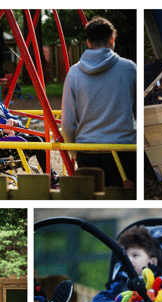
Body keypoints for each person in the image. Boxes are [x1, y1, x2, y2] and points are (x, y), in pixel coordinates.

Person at [36, 225, 162, 302]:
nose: (129, 260)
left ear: (153, 261)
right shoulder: (121, 281)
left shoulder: (160, 285)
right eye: (126, 256)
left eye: (135, 255)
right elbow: (100, 298)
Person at [61, 16, 136, 188]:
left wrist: (75, 151)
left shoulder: (74, 74)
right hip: (124, 151)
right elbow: (138, 112)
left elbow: (67, 121)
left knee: (92, 201)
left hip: (88, 152)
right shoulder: (129, 68)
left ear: (88, 42)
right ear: (112, 40)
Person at [0, 72, 59, 188]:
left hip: (9, 136)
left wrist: (13, 122)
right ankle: (53, 179)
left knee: (43, 138)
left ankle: (50, 176)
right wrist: (5, 129)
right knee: (37, 140)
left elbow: (14, 119)